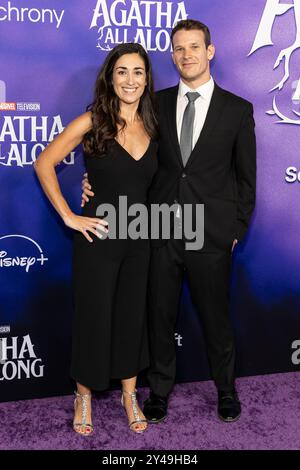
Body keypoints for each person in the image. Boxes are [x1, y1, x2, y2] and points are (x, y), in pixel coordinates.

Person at [82, 19, 256, 424]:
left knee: (216, 318)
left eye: (194, 47)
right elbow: (123, 156)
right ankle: (158, 392)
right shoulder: (152, 104)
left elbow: (247, 179)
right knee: (158, 317)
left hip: (210, 234)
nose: (186, 55)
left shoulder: (237, 110)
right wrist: (92, 180)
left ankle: (226, 390)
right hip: (157, 229)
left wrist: (235, 230)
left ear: (209, 51)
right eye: (178, 48)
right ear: (172, 55)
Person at [34, 43, 158, 435]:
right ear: (110, 77)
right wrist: (70, 215)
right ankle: (83, 397)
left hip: (140, 237)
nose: (130, 80)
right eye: (122, 71)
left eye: (137, 72)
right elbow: (44, 162)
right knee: (93, 318)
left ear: (146, 79)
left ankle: (129, 396)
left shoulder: (155, 124)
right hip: (99, 240)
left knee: (131, 318)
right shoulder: (92, 121)